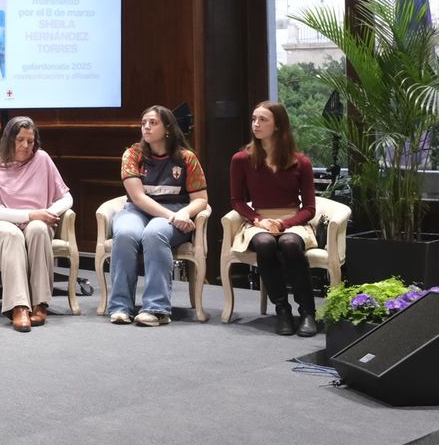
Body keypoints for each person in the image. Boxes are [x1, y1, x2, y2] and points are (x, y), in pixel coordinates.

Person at [108, 105, 209, 326]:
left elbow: (201, 198)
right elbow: (138, 197)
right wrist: (172, 217)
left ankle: (156, 309)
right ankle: (120, 306)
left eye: (153, 123)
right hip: (138, 211)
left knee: (155, 233)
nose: (146, 127)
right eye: (144, 123)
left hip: (175, 210)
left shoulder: (186, 158)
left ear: (168, 129)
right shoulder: (132, 154)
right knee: (125, 233)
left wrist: (184, 213)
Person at [231, 101, 319, 337]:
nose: (256, 124)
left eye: (263, 120)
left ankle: (308, 311)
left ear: (278, 125)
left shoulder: (301, 162)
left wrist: (283, 224)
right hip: (259, 219)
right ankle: (282, 309)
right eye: (253, 119)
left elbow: (309, 208)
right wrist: (259, 220)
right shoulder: (241, 159)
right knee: (265, 243)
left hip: (292, 220)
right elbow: (237, 202)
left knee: (289, 243)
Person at [0, 116, 72, 332]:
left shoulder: (42, 159)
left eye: (30, 141)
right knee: (13, 235)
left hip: (37, 220)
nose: (25, 146)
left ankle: (40, 303)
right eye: (20, 140)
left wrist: (49, 213)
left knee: (39, 230)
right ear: (9, 139)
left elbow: (67, 198)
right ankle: (18, 306)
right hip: (2, 222)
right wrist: (31, 215)